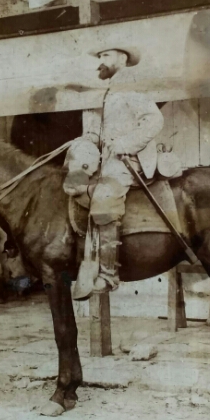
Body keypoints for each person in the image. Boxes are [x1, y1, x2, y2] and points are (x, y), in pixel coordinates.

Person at [74, 46, 164, 297]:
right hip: (104, 161)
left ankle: (108, 274)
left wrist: (125, 144)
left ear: (122, 59)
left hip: (128, 160)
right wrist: (83, 144)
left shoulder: (131, 86)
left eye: (105, 56)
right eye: (98, 57)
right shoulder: (102, 93)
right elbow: (94, 133)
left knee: (104, 198)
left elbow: (154, 120)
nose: (99, 63)